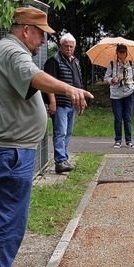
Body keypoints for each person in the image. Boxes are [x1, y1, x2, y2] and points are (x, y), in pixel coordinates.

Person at [0, 7, 93, 267]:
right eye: (41, 34)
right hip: (4, 149)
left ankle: (1, 264)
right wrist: (68, 88)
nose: (43, 41)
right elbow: (35, 77)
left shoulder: (4, 49)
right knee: (12, 214)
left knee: (3, 210)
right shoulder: (14, 53)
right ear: (26, 30)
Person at [43, 33, 82, 173]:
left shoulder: (75, 61)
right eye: (66, 46)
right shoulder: (54, 60)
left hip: (71, 103)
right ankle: (60, 161)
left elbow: (77, 82)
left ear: (75, 47)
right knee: (60, 132)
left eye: (71, 46)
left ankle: (64, 158)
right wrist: (52, 102)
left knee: (68, 132)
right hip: (60, 103)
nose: (69, 49)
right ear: (61, 46)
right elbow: (48, 82)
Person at [104, 44, 134, 149]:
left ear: (126, 53)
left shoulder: (131, 64)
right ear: (117, 53)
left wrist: (133, 88)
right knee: (118, 118)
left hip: (128, 94)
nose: (122, 54)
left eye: (124, 52)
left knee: (128, 118)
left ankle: (129, 140)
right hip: (116, 94)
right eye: (120, 52)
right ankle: (118, 140)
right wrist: (112, 80)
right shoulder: (112, 64)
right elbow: (106, 77)